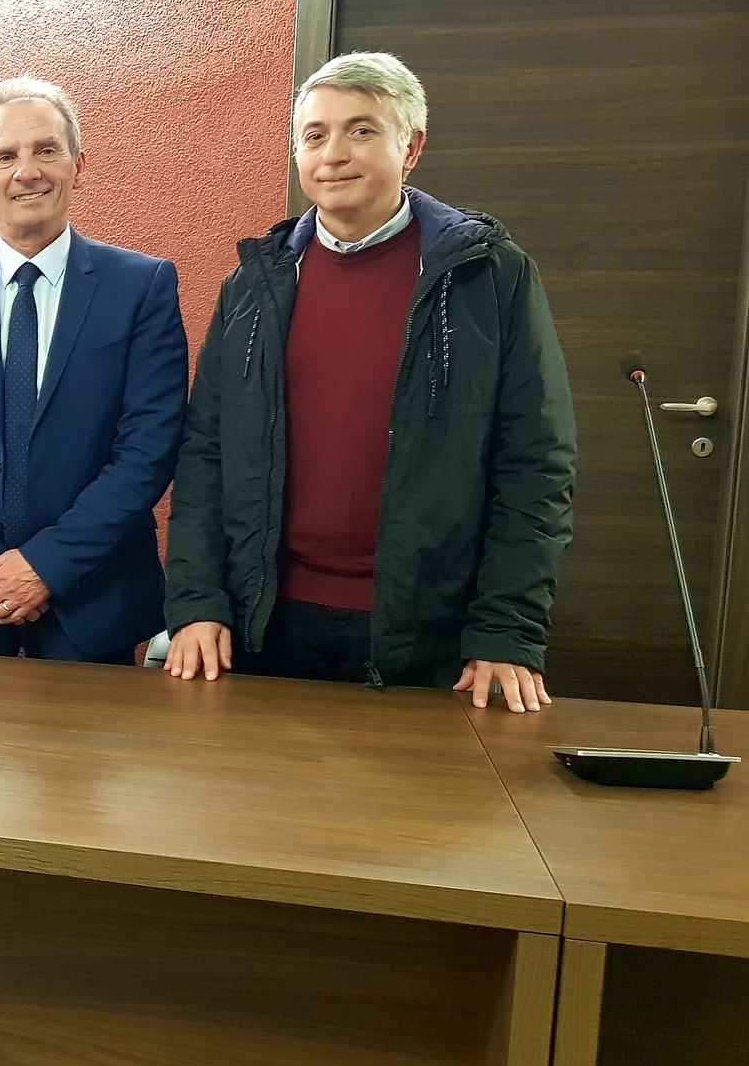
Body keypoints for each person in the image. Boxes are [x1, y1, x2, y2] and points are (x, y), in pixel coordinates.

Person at [163, 52, 576, 711]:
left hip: (427, 634)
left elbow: (535, 467)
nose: (333, 154)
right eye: (315, 135)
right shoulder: (255, 284)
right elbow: (206, 454)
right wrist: (195, 603)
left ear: (411, 147)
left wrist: (507, 627)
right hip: (268, 626)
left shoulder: (487, 276)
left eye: (361, 131)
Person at [0, 75, 189, 662]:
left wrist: (45, 566)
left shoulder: (141, 286)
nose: (27, 171)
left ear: (78, 163)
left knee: (84, 757)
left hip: (93, 596)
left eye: (45, 150)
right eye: (5, 156)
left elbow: (149, 447)